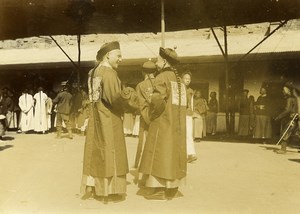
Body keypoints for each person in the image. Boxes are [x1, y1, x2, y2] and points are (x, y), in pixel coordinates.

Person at [81, 41, 129, 203]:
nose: (121, 59)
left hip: (96, 119)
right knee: (112, 151)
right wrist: (130, 101)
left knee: (97, 152)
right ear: (108, 55)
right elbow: (115, 97)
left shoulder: (93, 72)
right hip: (109, 119)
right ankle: (111, 191)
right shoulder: (109, 74)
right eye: (118, 55)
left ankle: (95, 188)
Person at [138, 47, 187, 200]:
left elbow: (157, 100)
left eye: (158, 60)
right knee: (173, 153)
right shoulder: (179, 80)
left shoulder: (162, 78)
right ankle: (172, 188)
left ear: (164, 61)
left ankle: (158, 188)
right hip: (177, 124)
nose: (157, 63)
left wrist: (151, 116)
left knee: (160, 153)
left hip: (163, 122)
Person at [134, 60, 156, 169]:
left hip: (146, 118)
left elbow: (141, 105)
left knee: (142, 142)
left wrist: (148, 119)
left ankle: (140, 165)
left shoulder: (140, 85)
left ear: (144, 72)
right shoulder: (160, 82)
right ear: (154, 72)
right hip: (159, 118)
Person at [274, 83, 298, 154]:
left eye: (284, 90)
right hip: (297, 117)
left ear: (288, 90)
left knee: (285, 132)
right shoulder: (296, 98)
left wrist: (278, 117)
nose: (283, 91)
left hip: (292, 118)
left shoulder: (290, 99)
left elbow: (287, 110)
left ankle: (283, 149)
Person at [182, 71, 197, 163]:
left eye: (189, 79)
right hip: (179, 114)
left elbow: (191, 104)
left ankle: (191, 154)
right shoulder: (179, 89)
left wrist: (192, 113)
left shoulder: (190, 91)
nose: (188, 80)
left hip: (187, 114)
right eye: (186, 78)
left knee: (188, 134)